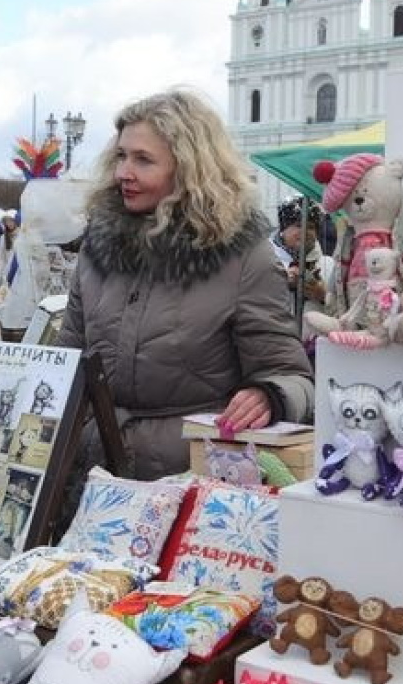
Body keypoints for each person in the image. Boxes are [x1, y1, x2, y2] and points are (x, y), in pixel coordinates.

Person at [59, 88, 314, 479]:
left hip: (191, 478)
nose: (123, 172)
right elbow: (69, 365)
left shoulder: (242, 256)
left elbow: (292, 376)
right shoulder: (97, 250)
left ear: (190, 169)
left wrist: (268, 396)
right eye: (122, 156)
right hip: (93, 473)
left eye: (144, 160)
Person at [271, 196, 330, 315]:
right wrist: (280, 283)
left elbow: (343, 312)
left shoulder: (329, 265)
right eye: (298, 225)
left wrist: (324, 296)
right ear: (283, 229)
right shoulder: (266, 262)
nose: (305, 231)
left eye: (311, 227)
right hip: (276, 332)